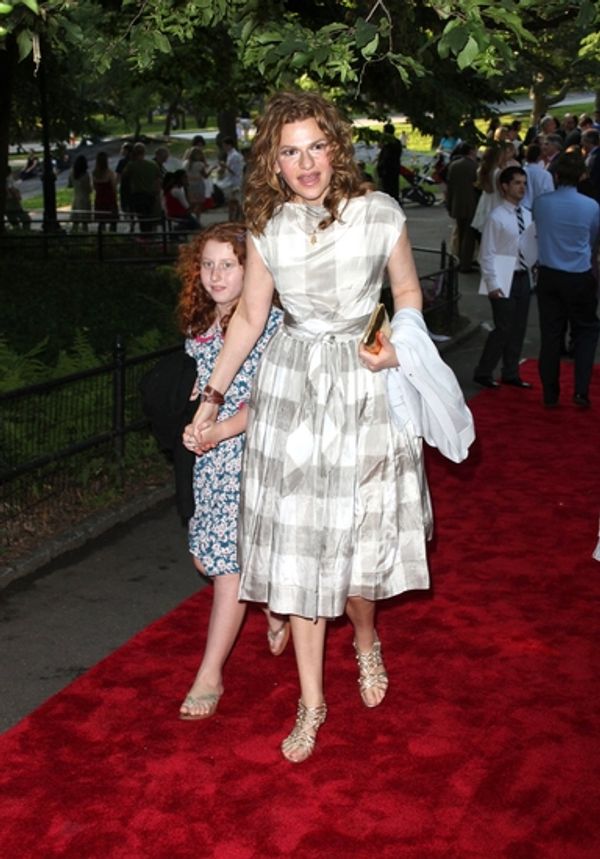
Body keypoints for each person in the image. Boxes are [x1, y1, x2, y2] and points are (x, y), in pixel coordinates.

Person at [185, 91, 468, 763]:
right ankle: (311, 700)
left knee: (358, 548)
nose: (305, 162)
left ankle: (365, 637)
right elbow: (252, 317)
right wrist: (213, 396)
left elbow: (406, 295)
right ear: (273, 163)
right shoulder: (269, 225)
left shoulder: (379, 213)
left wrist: (390, 340)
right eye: (289, 151)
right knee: (300, 546)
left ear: (336, 146)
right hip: (291, 388)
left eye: (316, 145)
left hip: (363, 386)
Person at [176, 223, 286, 720]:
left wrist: (220, 430)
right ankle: (277, 607)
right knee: (208, 560)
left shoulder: (273, 325)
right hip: (212, 458)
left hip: (255, 451)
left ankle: (209, 675)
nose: (215, 275)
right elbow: (205, 387)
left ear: (253, 269)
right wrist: (197, 426)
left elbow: (271, 402)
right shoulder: (200, 322)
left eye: (228, 264)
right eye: (207, 264)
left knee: (227, 568)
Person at [533, 152, 600, 408]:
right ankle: (581, 390)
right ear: (582, 175)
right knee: (585, 331)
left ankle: (550, 393)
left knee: (551, 335)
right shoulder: (591, 206)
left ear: (556, 175)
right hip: (578, 274)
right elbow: (593, 238)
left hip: (549, 274)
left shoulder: (542, 202)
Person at [473, 166, 536, 389]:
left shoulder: (527, 214)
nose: (522, 187)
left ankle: (511, 371)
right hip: (502, 272)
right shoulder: (496, 217)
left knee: (518, 326)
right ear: (505, 186)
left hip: (522, 274)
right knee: (503, 326)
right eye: (517, 183)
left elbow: (529, 246)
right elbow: (486, 253)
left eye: (524, 183)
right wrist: (492, 283)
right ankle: (484, 370)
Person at [445, 142, 479, 272]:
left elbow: (450, 187)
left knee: (460, 232)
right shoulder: (475, 166)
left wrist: (449, 204)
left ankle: (458, 259)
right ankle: (466, 263)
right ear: (471, 151)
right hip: (471, 204)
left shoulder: (453, 166)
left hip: (457, 203)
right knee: (469, 236)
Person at [121, 142, 162, 233]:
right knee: (149, 216)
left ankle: (144, 236)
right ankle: (150, 234)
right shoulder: (153, 164)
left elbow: (124, 177)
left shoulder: (131, 165)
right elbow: (158, 180)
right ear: (144, 152)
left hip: (138, 195)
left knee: (142, 218)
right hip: (150, 195)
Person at [376, 122, 403, 201]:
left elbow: (386, 157)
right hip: (395, 167)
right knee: (394, 186)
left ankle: (389, 200)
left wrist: (381, 166)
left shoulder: (389, 143)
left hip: (387, 169)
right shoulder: (397, 142)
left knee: (387, 187)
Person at [92, 151, 118, 231]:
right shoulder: (110, 173)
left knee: (101, 221)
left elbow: (94, 187)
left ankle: (102, 238)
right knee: (113, 221)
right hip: (110, 199)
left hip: (99, 199)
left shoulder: (94, 173)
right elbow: (114, 186)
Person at [68, 154, 92, 232]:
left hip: (76, 197)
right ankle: (85, 236)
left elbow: (70, 185)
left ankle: (73, 235)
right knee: (84, 222)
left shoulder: (72, 172)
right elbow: (88, 189)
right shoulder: (85, 175)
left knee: (75, 221)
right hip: (84, 198)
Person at [183, 145, 207, 217]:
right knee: (198, 203)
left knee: (190, 202)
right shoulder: (200, 164)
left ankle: (189, 217)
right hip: (198, 184)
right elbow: (205, 176)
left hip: (189, 184)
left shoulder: (185, 163)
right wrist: (212, 169)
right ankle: (197, 218)